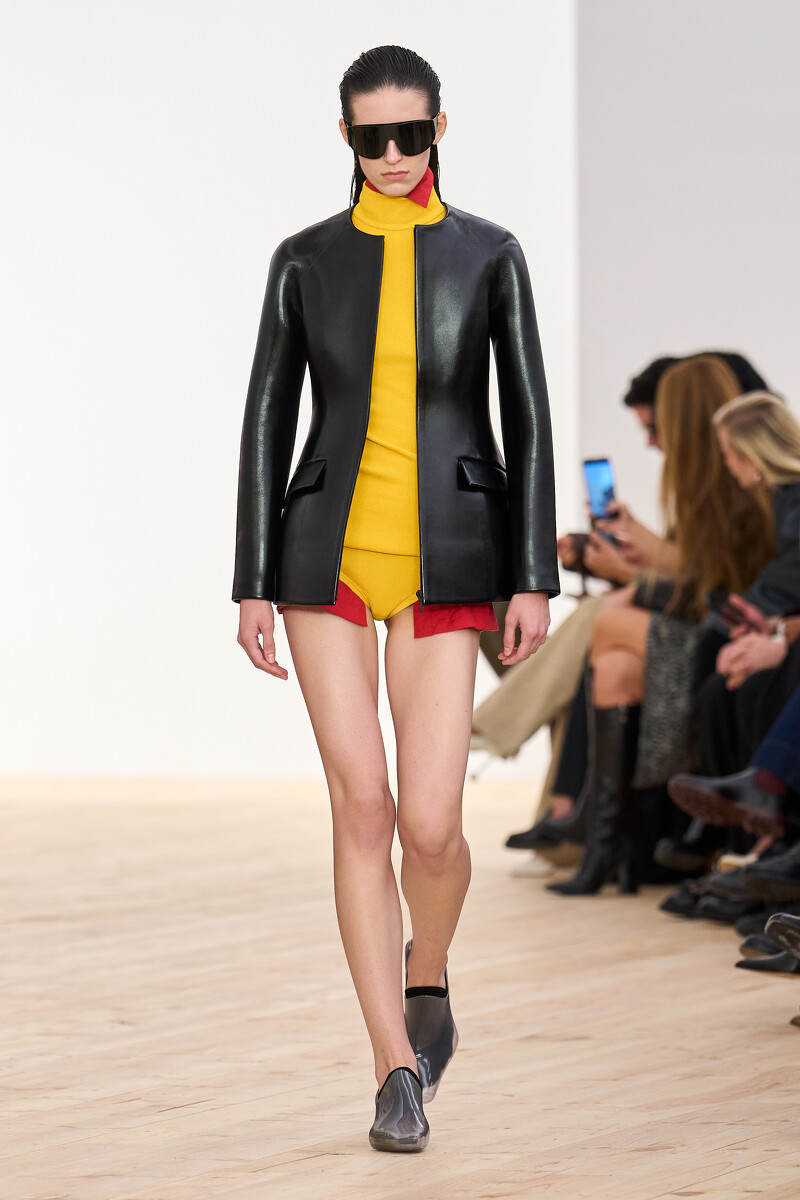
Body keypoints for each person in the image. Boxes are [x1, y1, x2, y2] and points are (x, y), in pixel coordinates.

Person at [231, 45, 559, 1153]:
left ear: (438, 131)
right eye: (370, 137)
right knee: (362, 807)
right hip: (322, 555)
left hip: (449, 555)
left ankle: (430, 971)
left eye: (408, 134)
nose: (391, 155)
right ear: (346, 138)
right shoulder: (304, 259)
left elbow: (528, 418)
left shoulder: (489, 253)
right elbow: (267, 419)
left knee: (431, 824)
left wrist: (532, 574)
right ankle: (393, 1067)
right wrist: (252, 582)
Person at [545, 357, 774, 894]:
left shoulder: (739, 484)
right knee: (614, 662)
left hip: (725, 634)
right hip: (709, 628)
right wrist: (636, 552)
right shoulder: (708, 486)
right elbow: (695, 575)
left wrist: (629, 572)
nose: (651, 441)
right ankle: (608, 841)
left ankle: (595, 828)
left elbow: (712, 591)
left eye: (656, 426)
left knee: (608, 621)